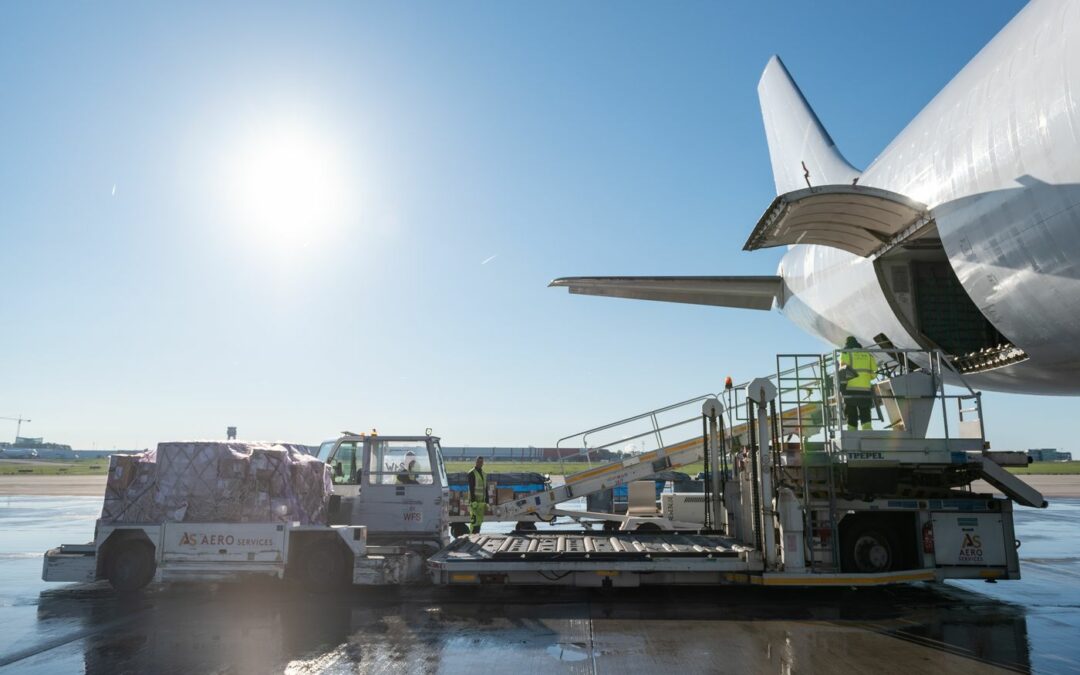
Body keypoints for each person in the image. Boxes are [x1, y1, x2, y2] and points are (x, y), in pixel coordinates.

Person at [840, 336, 877, 431]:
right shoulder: (868, 354)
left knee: (851, 412)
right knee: (865, 411)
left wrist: (842, 387)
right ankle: (867, 430)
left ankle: (852, 431)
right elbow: (874, 374)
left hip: (850, 388)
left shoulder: (845, 353)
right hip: (865, 389)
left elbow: (842, 372)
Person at [467, 457, 487, 534]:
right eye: (478, 462)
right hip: (474, 503)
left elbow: (485, 488)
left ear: (483, 463)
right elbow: (471, 488)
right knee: (474, 522)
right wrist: (473, 501)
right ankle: (472, 537)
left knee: (479, 522)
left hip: (481, 503)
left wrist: (487, 501)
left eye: (481, 462)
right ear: (475, 462)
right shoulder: (471, 473)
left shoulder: (484, 474)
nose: (480, 464)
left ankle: (476, 536)